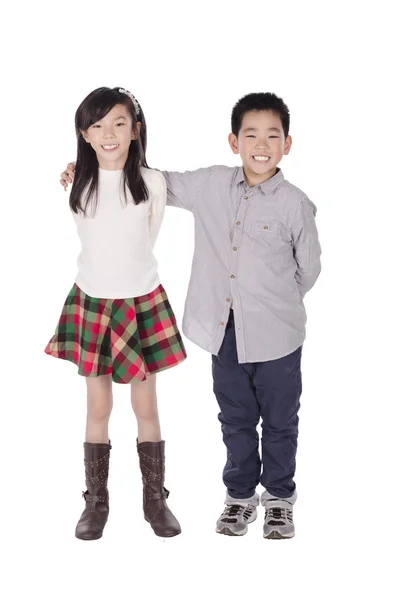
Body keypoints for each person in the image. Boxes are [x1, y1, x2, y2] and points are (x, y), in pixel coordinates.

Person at [60, 92, 321, 539]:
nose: (260, 144)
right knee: (233, 416)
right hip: (215, 327)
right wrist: (78, 167)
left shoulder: (295, 203)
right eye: (250, 134)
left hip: (274, 331)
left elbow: (308, 269)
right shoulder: (210, 185)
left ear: (287, 143)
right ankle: (234, 498)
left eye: (271, 135)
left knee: (280, 419)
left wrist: (277, 300)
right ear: (233, 140)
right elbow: (147, 177)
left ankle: (273, 499)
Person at [47, 86, 187, 541]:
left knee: (145, 404)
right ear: (84, 134)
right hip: (92, 302)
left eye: (119, 123)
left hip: (139, 302)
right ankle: (96, 500)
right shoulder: (77, 184)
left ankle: (154, 498)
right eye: (98, 125)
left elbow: (151, 234)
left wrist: (132, 285)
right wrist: (73, 171)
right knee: (98, 404)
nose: (109, 133)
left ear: (135, 130)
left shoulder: (152, 183)